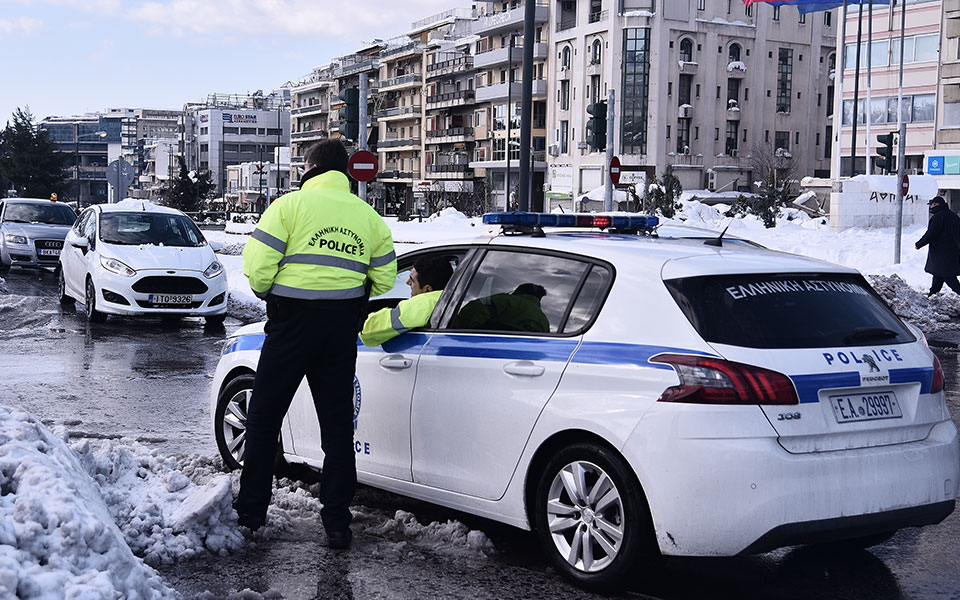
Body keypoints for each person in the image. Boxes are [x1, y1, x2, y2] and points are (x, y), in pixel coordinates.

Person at [236, 139, 397, 549]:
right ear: (343, 171)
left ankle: (252, 512)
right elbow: (384, 280)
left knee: (264, 419)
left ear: (310, 167)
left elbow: (256, 270)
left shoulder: (288, 207)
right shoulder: (368, 217)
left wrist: (277, 293)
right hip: (340, 332)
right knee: (338, 430)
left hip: (290, 326)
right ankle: (338, 523)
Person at [359, 255, 453, 346]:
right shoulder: (456, 299)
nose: (407, 282)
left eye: (412, 280)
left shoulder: (423, 305)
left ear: (427, 289)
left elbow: (368, 329)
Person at [452, 283, 549, 333]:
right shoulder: (544, 321)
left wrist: (457, 328)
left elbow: (473, 311)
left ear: (517, 291)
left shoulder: (508, 300)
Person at [915, 195, 960, 296]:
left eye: (931, 205)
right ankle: (932, 294)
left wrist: (919, 244)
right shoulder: (953, 216)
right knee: (938, 275)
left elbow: (931, 233)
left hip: (941, 253)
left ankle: (933, 294)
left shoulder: (938, 217)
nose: (930, 207)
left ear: (936, 204)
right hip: (952, 252)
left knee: (949, 278)